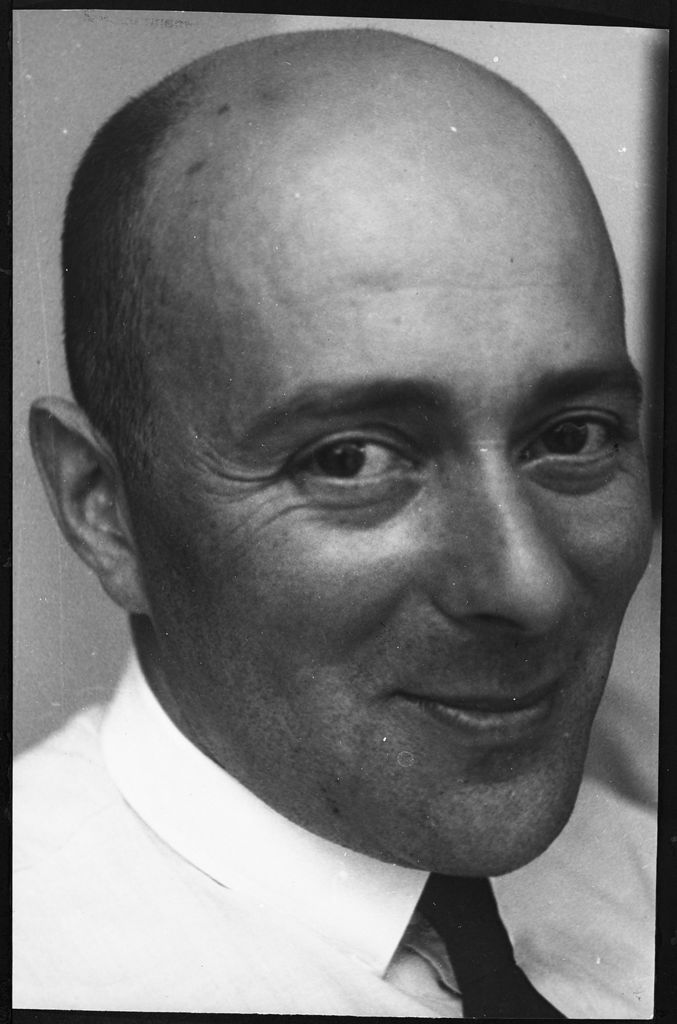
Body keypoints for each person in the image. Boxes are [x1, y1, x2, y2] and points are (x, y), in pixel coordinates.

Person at [13, 28, 656, 1016]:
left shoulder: (643, 879)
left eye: (571, 436)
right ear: (102, 508)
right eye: (351, 460)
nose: (525, 583)